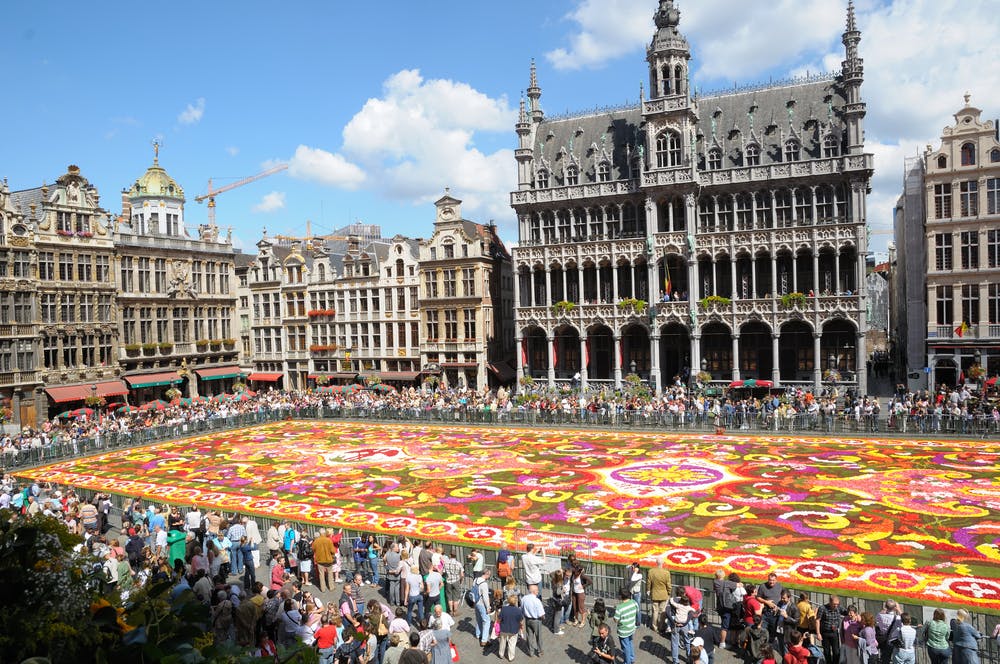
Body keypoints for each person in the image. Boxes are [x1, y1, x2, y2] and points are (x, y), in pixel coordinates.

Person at [816, 595, 845, 664]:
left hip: (834, 633)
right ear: (830, 602)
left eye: (837, 604)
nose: (836, 606)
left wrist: (856, 615)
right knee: (826, 651)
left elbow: (848, 612)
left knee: (836, 651)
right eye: (834, 604)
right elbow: (817, 620)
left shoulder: (839, 608)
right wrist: (818, 633)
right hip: (825, 633)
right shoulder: (822, 608)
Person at [615, 586, 639, 664]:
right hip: (632, 628)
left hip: (623, 631)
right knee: (630, 643)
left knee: (625, 647)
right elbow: (637, 611)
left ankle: (627, 662)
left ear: (621, 596)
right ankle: (632, 658)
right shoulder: (634, 602)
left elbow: (616, 620)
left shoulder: (619, 607)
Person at [497, 593, 524, 661]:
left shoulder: (504, 609)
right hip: (514, 630)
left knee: (502, 642)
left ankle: (501, 654)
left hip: (504, 629)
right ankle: (511, 657)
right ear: (515, 602)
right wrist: (521, 627)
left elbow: (499, 619)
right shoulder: (518, 610)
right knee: (512, 643)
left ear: (508, 601)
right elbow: (521, 621)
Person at [650, 557, 673, 635]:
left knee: (655, 611)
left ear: (656, 562)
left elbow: (649, 583)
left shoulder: (651, 571)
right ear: (662, 563)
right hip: (664, 594)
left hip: (655, 594)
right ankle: (661, 627)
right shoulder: (666, 573)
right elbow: (669, 585)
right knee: (662, 611)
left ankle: (654, 626)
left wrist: (648, 591)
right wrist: (669, 592)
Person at [521, 583, 546, 658]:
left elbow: (521, 609)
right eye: (537, 590)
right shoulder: (537, 600)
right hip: (536, 620)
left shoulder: (524, 598)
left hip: (527, 620)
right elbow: (541, 614)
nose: (538, 591)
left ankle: (530, 652)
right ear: (534, 591)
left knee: (529, 636)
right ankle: (540, 651)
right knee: (538, 637)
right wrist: (543, 618)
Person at [473, 568, 493, 646]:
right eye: (489, 575)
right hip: (481, 604)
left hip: (476, 602)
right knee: (486, 621)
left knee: (478, 619)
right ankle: (484, 640)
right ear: (486, 574)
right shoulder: (484, 584)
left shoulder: (475, 580)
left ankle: (478, 634)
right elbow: (485, 597)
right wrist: (488, 608)